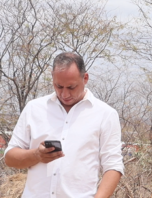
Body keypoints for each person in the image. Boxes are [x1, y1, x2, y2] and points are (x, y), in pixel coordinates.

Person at [4, 52, 124, 197]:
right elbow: (10, 158)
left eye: (71, 87)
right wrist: (37, 155)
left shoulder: (105, 114)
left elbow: (113, 166)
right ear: (52, 77)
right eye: (59, 86)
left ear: (85, 78)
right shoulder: (34, 108)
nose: (65, 94)